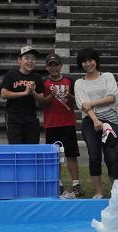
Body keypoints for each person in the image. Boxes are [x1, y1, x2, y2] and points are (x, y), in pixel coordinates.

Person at [74, 48, 118, 199]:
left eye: (90, 60)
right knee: (94, 156)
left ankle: (116, 191)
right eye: (84, 61)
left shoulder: (108, 77)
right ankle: (99, 192)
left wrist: (92, 103)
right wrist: (95, 119)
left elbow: (111, 97)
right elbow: (82, 105)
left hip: (110, 121)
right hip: (90, 121)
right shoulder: (79, 83)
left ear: (96, 60)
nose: (88, 64)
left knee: (111, 157)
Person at [43, 53, 83, 198]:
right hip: (52, 124)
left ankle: (76, 184)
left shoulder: (69, 81)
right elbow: (42, 102)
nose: (53, 68)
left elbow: (78, 101)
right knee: (54, 156)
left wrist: (69, 95)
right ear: (47, 67)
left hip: (68, 122)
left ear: (60, 66)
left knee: (71, 154)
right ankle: (57, 183)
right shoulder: (44, 82)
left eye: (56, 65)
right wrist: (52, 95)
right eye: (50, 65)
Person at [0, 46, 45, 144]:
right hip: (13, 118)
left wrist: (33, 92)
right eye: (27, 58)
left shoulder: (37, 78)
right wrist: (24, 93)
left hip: (31, 118)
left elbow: (42, 99)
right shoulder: (11, 75)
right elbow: (3, 94)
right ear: (19, 60)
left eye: (33, 58)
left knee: (32, 149)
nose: (30, 61)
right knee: (16, 149)